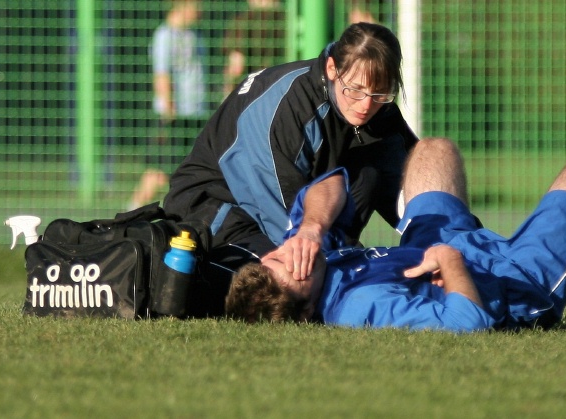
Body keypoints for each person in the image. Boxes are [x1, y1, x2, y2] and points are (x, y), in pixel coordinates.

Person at [225, 137, 566, 332]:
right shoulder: (356, 307)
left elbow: (329, 183)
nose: (292, 255)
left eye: (277, 258)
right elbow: (467, 326)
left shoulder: (309, 252)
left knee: (433, 151)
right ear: (307, 309)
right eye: (295, 269)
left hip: (448, 245)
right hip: (512, 280)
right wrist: (449, 261)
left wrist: (311, 228)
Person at [163, 23, 418, 315]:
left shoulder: (377, 107)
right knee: (287, 280)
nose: (365, 105)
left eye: (381, 94)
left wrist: (452, 246)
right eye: (355, 90)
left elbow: (418, 191)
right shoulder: (288, 113)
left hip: (298, 207)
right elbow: (290, 229)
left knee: (374, 174)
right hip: (216, 205)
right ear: (333, 69)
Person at [129, 0, 209, 210]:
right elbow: (161, 74)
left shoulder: (193, 35)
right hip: (174, 116)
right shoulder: (164, 36)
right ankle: (131, 212)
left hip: (194, 113)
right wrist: (168, 106)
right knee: (158, 172)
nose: (201, 10)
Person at [221, 0, 286, 98]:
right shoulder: (288, 19)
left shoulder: (242, 22)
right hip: (279, 87)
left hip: (251, 92)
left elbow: (236, 68)